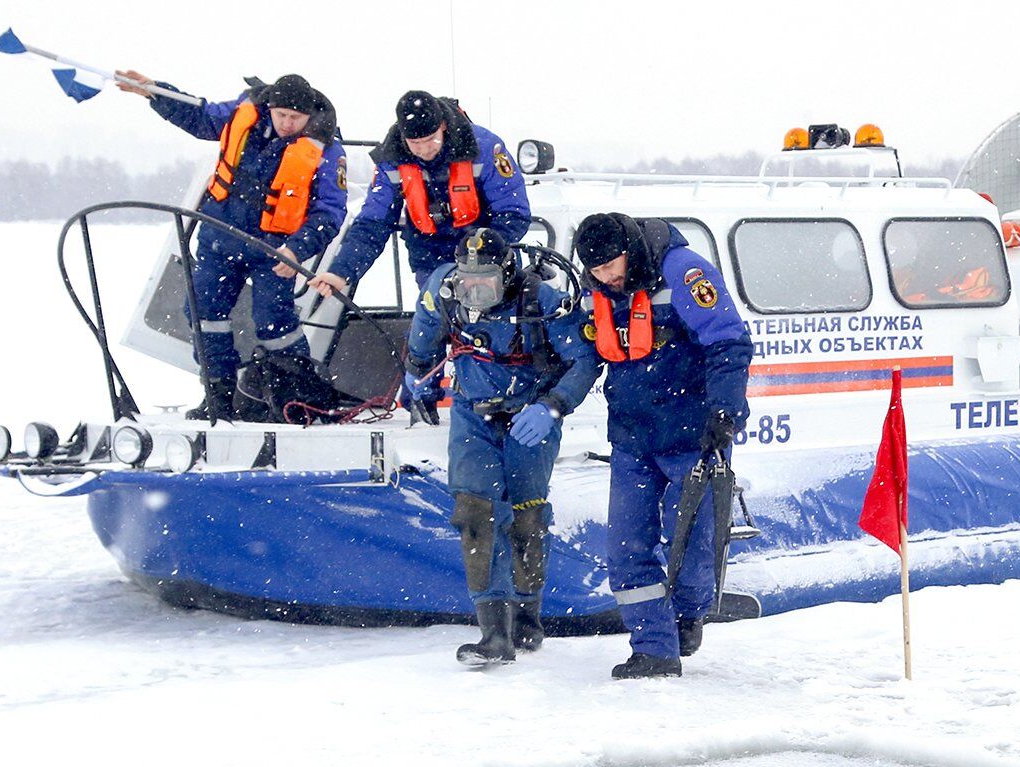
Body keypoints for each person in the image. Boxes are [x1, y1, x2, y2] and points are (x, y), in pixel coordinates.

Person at [400, 228, 599, 666]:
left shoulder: (544, 305)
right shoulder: (444, 288)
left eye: (485, 281)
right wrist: (415, 369)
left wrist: (553, 406)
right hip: (474, 414)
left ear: (506, 274)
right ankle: (494, 634)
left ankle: (527, 617)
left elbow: (584, 360)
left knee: (526, 516)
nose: (474, 291)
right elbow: (427, 324)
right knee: (475, 512)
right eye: (467, 280)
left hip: (529, 414)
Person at [572, 213, 753, 679]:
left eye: (613, 267)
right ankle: (653, 649)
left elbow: (729, 343)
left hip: (693, 436)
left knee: (693, 543)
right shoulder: (597, 291)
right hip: (632, 438)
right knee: (625, 547)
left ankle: (689, 615)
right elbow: (588, 351)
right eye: (597, 272)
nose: (607, 278)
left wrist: (725, 412)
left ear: (631, 251)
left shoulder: (684, 271)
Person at [116, 71, 348, 420]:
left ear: (307, 117)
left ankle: (294, 398)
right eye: (281, 114)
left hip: (276, 251)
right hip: (220, 239)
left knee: (274, 322)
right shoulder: (243, 114)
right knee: (202, 310)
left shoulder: (326, 151)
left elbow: (329, 212)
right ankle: (218, 395)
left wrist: (297, 250)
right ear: (269, 108)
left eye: (295, 118)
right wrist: (155, 93)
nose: (286, 124)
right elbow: (199, 115)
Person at [310, 90, 530, 300]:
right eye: (415, 143)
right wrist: (341, 272)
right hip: (430, 259)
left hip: (489, 259)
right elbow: (373, 222)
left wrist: (485, 253)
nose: (424, 150)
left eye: (430, 140)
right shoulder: (391, 159)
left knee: (495, 324)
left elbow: (513, 211)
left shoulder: (484, 147)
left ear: (442, 125)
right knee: (438, 323)